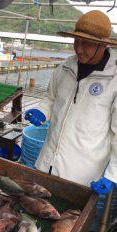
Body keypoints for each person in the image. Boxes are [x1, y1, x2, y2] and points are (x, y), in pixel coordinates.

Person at [25, 10, 117, 195]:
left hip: (82, 174)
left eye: (87, 43)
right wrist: (43, 111)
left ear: (103, 45)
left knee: (71, 220)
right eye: (77, 41)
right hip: (46, 161)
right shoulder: (65, 68)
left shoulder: (114, 78)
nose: (79, 48)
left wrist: (113, 174)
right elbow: (51, 98)